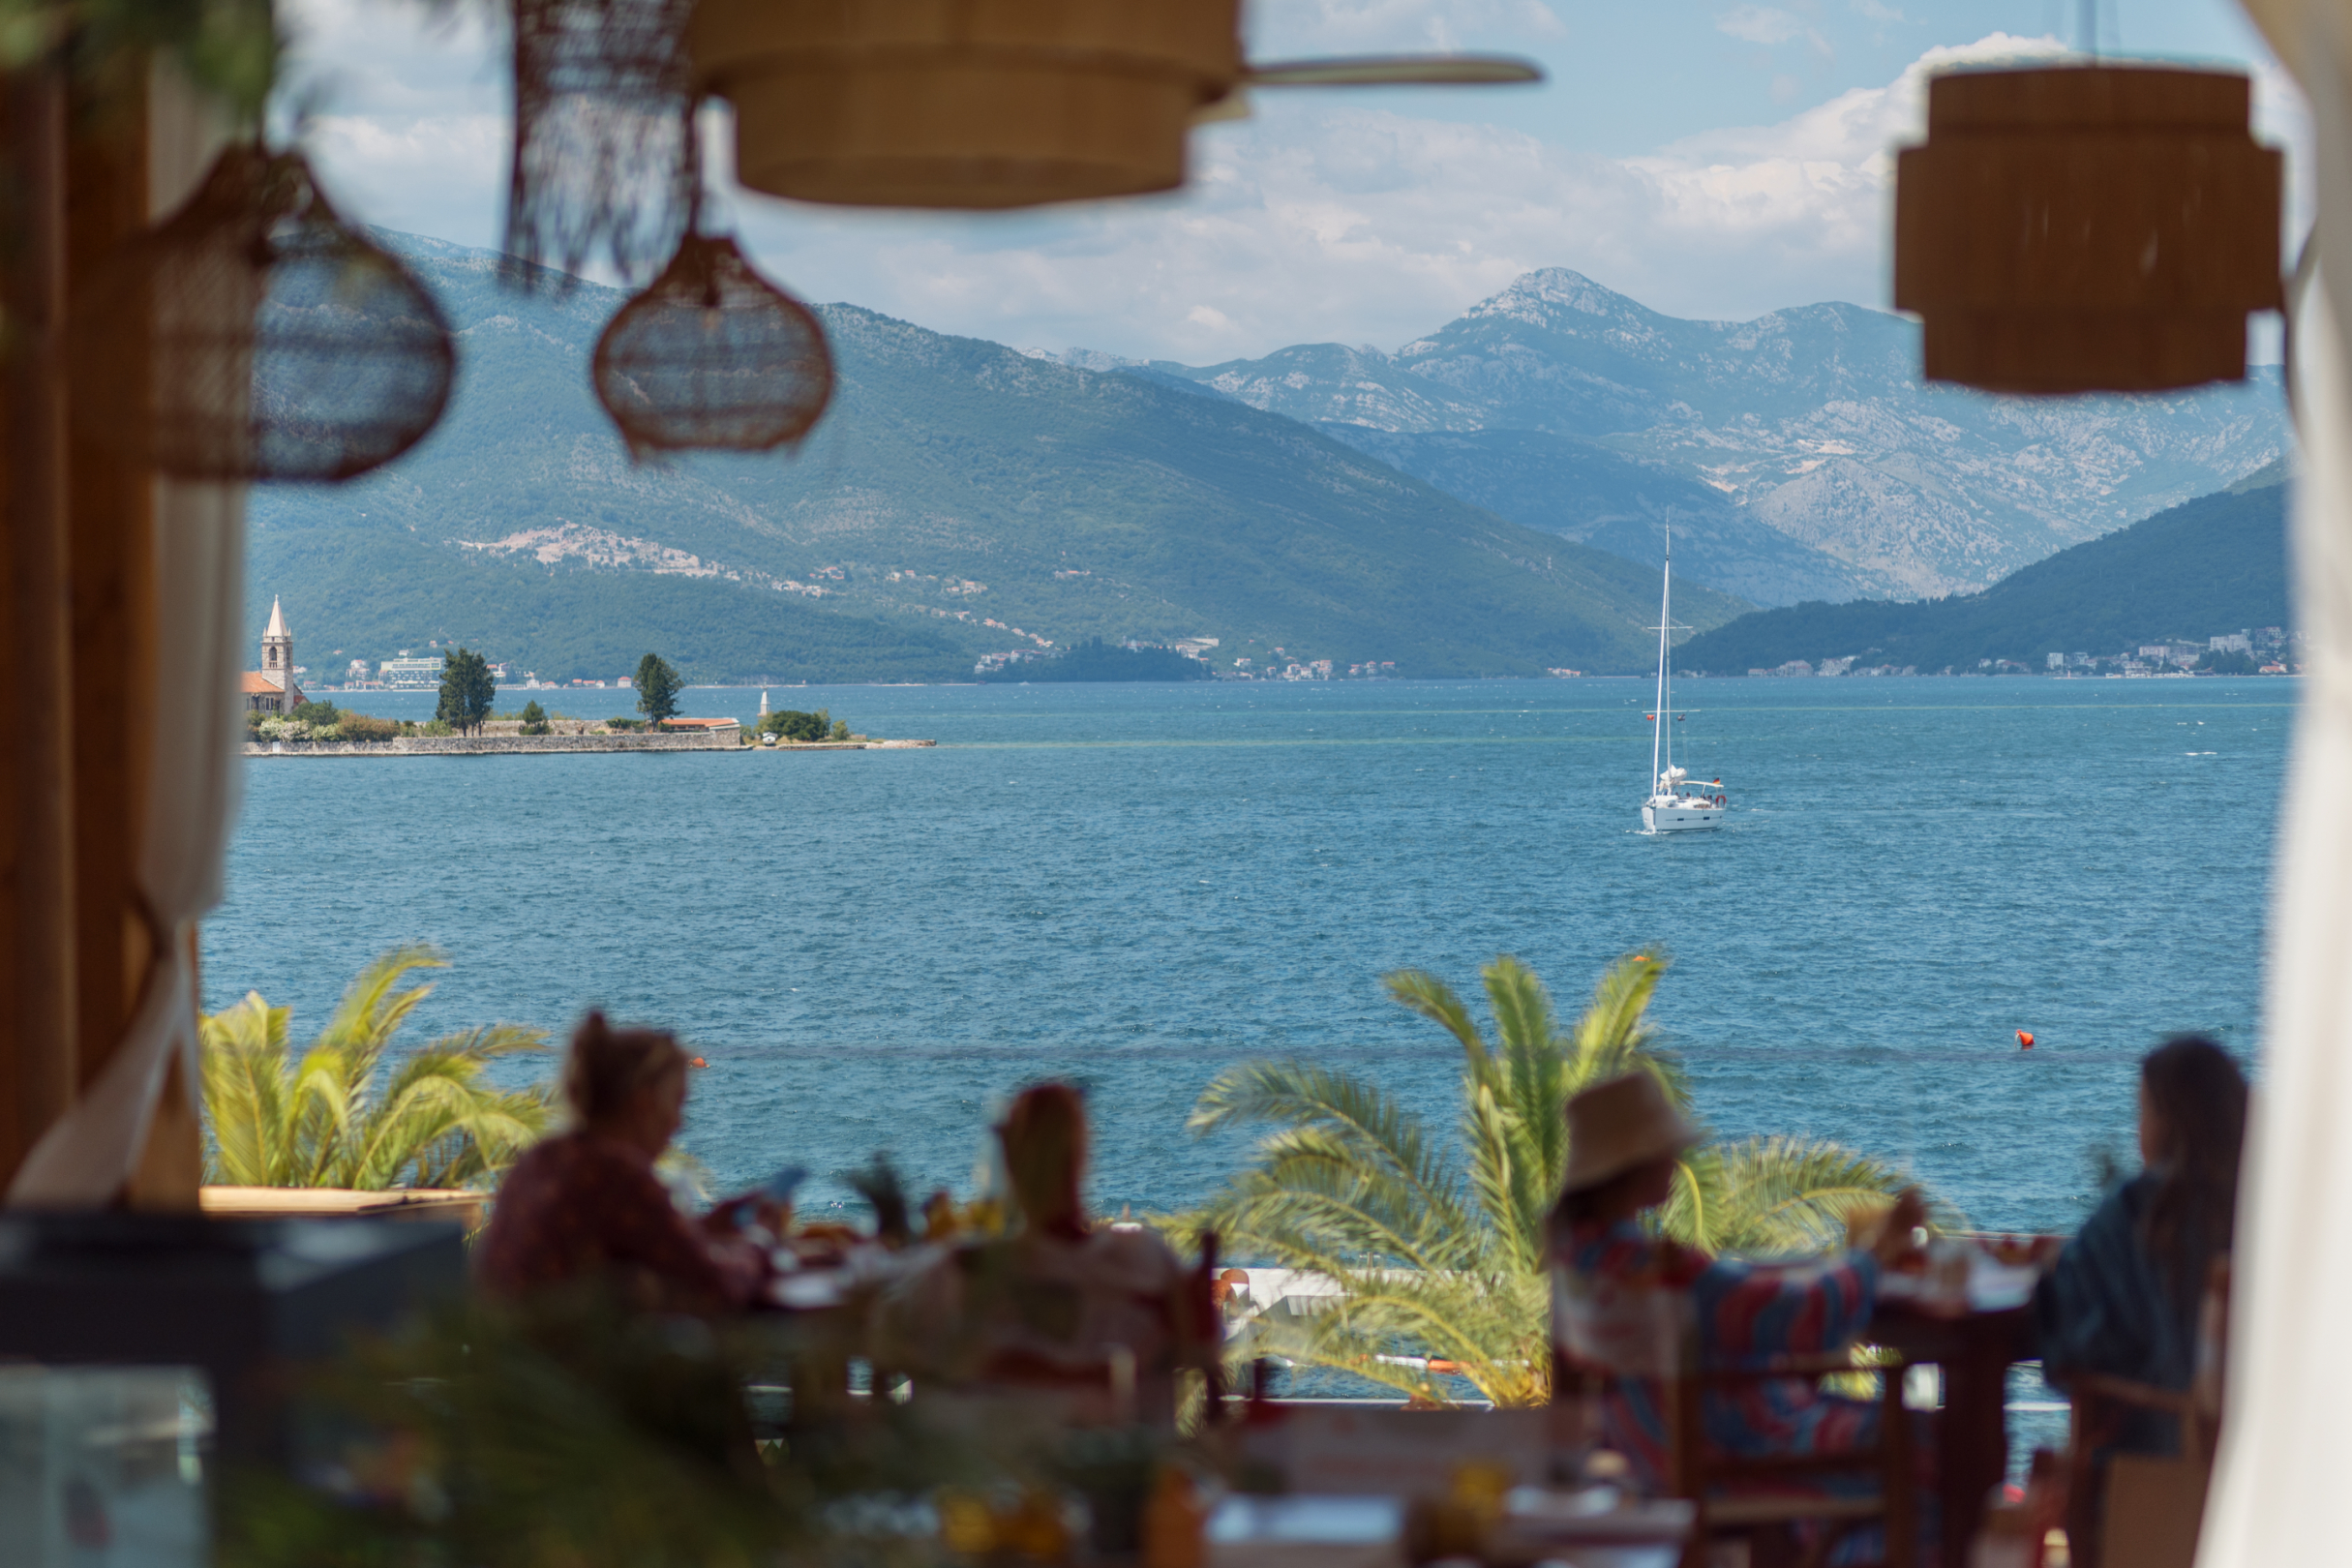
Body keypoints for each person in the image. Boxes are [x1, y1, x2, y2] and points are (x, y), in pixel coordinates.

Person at [1550, 1072, 1927, 1520]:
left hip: (1645, 1450)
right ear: (1636, 1165)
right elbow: (1797, 1315)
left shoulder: (1581, 1259)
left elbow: (1731, 1294)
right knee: (1928, 1438)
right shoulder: (1663, 1271)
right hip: (1729, 1450)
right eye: (1667, 1149)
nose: (1677, 1159)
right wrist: (1874, 1256)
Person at [890, 1083, 1209, 1424]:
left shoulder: (954, 1273)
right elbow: (1203, 1350)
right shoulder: (1148, 1262)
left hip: (989, 1469)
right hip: (1124, 1470)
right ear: (1082, 1156)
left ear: (1008, 1162)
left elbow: (893, 1345)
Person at [477, 1011, 775, 1312]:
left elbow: (632, 1241)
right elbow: (721, 1288)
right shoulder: (616, 1173)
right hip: (569, 1356)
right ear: (644, 1104)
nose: (678, 1123)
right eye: (676, 1103)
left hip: (512, 1352)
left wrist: (702, 1229)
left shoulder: (543, 1158)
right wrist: (761, 1237)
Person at [2034, 1036, 2247, 1454]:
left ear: (2164, 1122)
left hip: (2149, 1474)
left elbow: (2070, 1351)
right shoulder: (2269, 1210)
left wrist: (2050, 1269)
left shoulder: (2138, 1212)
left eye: (2143, 1112)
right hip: (2267, 1466)